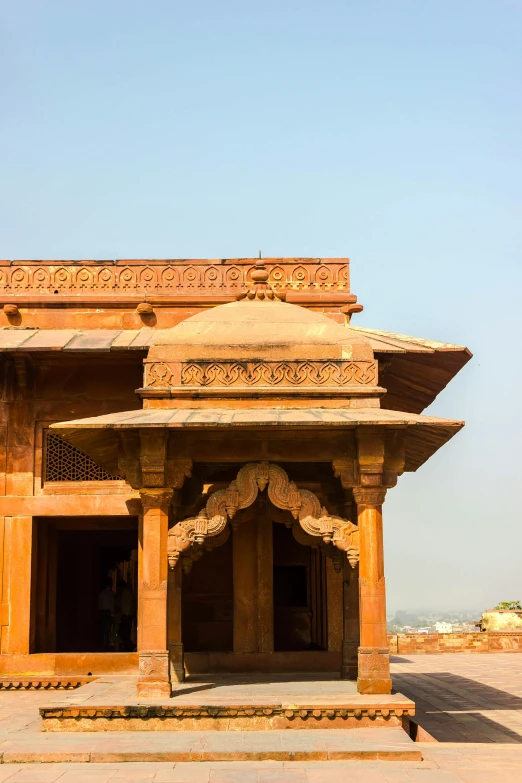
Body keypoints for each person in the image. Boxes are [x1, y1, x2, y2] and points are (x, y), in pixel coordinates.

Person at [116, 579, 135, 651]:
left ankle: (131, 646)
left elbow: (127, 604)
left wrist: (125, 614)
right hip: (127, 615)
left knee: (123, 632)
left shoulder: (125, 592)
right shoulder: (128, 591)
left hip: (126, 615)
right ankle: (128, 647)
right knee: (125, 633)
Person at [98, 578, 115, 651]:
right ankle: (106, 645)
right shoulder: (112, 594)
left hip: (103, 613)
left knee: (104, 630)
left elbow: (100, 605)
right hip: (109, 613)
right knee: (108, 630)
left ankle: (104, 646)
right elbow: (113, 605)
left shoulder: (102, 594)